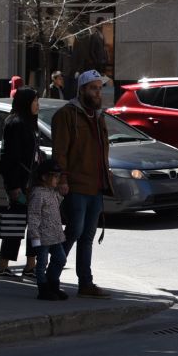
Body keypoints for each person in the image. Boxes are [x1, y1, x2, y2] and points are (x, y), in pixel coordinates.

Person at [52, 68, 111, 299]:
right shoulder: (66, 114)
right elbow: (60, 151)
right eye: (94, 89)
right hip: (75, 184)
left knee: (88, 235)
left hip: (96, 185)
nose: (98, 93)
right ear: (83, 90)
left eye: (100, 89)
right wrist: (63, 178)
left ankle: (85, 282)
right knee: (74, 231)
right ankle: (51, 276)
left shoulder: (98, 116)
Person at [0, 87, 43, 278]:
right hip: (20, 183)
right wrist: (14, 186)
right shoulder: (16, 123)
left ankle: (31, 265)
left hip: (31, 183)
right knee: (15, 224)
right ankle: (2, 266)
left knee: (34, 224)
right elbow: (9, 158)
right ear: (25, 103)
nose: (37, 105)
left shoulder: (29, 123)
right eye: (34, 101)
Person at [26, 157, 69, 301]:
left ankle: (53, 284)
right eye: (55, 177)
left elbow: (56, 203)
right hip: (43, 237)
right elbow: (33, 215)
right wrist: (34, 236)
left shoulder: (51, 191)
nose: (57, 180)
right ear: (44, 177)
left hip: (55, 236)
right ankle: (43, 289)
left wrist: (61, 193)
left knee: (60, 259)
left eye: (58, 177)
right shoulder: (38, 194)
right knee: (42, 263)